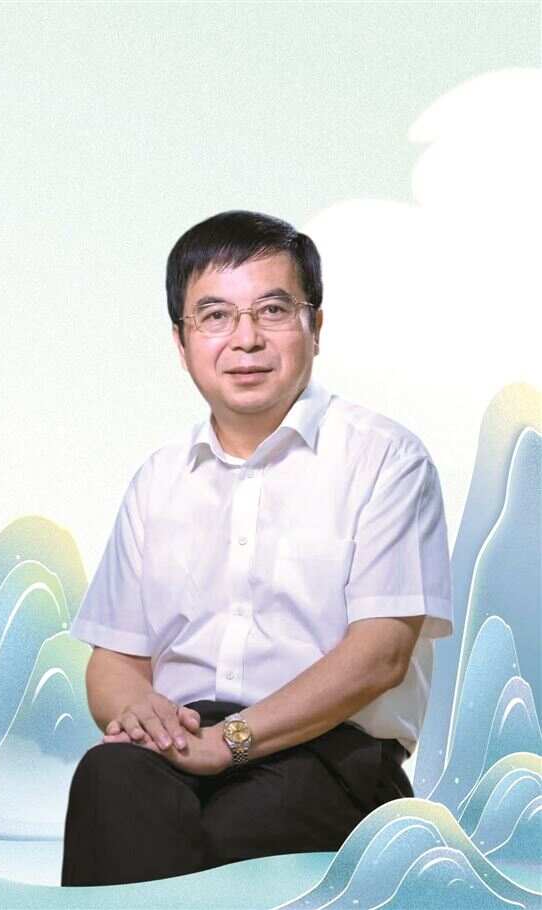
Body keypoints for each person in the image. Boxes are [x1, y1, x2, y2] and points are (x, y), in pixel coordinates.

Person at [61, 209, 453, 887]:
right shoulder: (159, 479)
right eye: (215, 316)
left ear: (315, 326)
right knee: (107, 776)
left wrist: (232, 742)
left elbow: (380, 656)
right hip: (184, 745)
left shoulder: (386, 459)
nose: (245, 339)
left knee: (226, 835)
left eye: (272, 310)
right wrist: (144, 714)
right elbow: (115, 659)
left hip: (332, 758)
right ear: (182, 341)